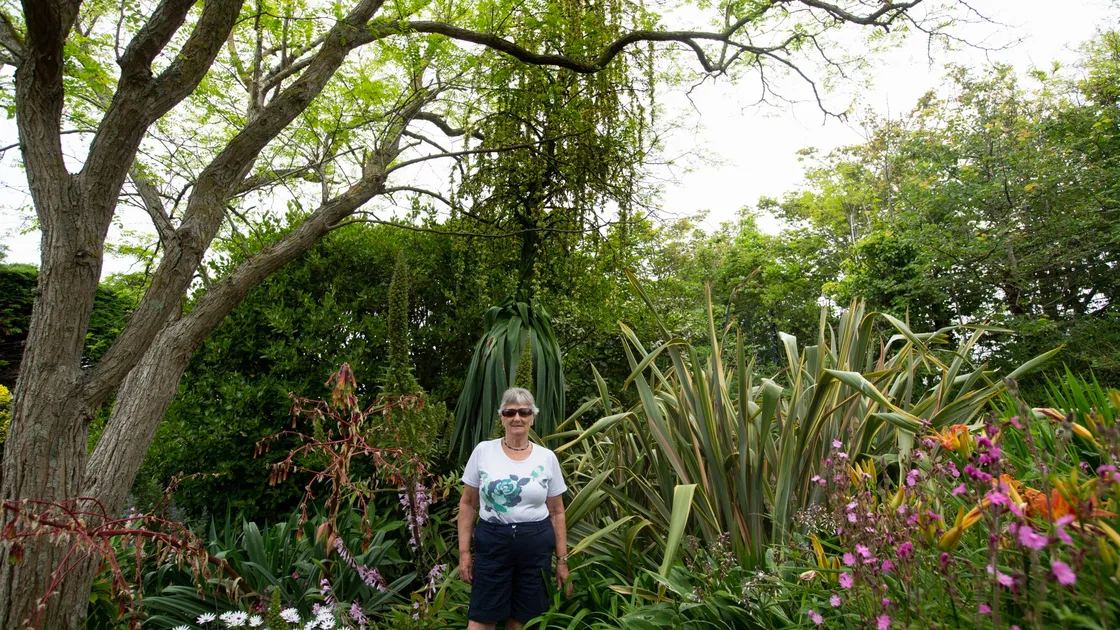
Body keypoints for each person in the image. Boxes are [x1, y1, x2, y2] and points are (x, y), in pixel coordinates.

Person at [458, 387, 571, 629]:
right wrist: (464, 552)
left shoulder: (547, 457)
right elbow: (468, 503)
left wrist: (562, 561)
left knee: (522, 622)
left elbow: (557, 512)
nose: (517, 418)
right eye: (510, 412)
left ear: (533, 417)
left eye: (524, 412)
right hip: (493, 543)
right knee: (481, 620)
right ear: (502, 417)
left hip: (535, 545)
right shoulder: (483, 451)